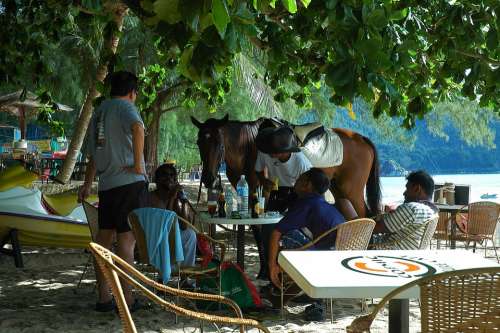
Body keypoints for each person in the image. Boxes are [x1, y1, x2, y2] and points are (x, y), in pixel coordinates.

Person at [78, 71, 148, 312]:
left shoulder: (99, 113)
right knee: (126, 242)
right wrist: (139, 165)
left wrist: (87, 184)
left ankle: (104, 297)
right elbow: (138, 128)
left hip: (107, 185)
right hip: (129, 184)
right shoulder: (125, 107)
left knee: (103, 241)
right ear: (132, 92)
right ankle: (127, 300)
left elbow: (93, 156)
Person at [268, 168, 347, 288]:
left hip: (324, 258)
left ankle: (282, 279)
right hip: (341, 255)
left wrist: (272, 265)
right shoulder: (324, 205)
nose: (296, 180)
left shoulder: (306, 204)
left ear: (307, 185)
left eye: (300, 178)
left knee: (289, 235)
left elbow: (276, 233)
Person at [254, 125, 312, 279]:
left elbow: (311, 191)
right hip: (276, 192)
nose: (272, 154)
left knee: (290, 231)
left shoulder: (302, 163)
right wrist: (264, 180)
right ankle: (268, 268)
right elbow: (258, 170)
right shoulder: (264, 151)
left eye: (276, 152)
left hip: (298, 195)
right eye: (271, 151)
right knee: (267, 228)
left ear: (287, 150)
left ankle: (291, 272)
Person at [372, 170, 438, 249]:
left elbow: (373, 229)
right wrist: (394, 214)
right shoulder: (432, 211)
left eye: (407, 188)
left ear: (417, 189)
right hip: (409, 254)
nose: (404, 193)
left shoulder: (412, 208)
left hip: (387, 255)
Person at [149, 163, 197, 268]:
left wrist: (183, 200)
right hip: (156, 239)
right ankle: (167, 274)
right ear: (157, 179)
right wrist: (172, 199)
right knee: (173, 237)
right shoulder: (153, 197)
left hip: (169, 237)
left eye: (172, 176)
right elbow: (167, 223)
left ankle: (186, 276)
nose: (169, 178)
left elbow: (184, 226)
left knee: (190, 234)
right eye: (165, 175)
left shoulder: (172, 196)